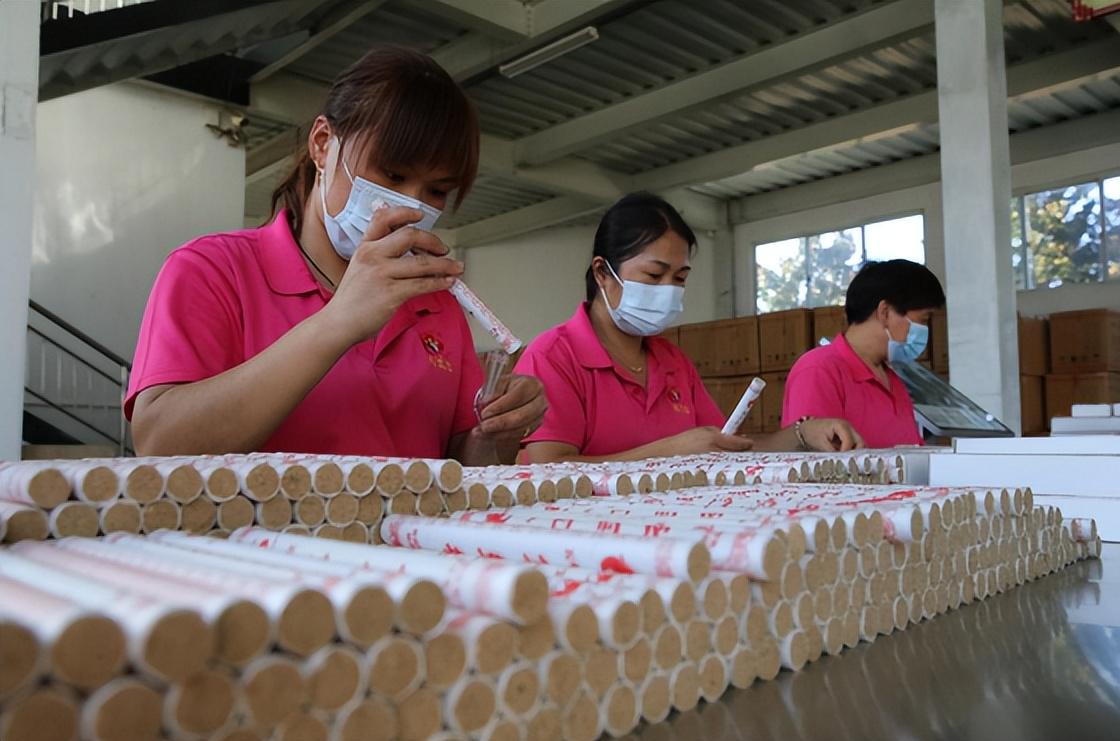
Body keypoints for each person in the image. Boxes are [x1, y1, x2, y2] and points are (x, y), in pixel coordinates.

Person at [125, 47, 545, 464]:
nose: (411, 205)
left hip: (408, 533)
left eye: (436, 190)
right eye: (393, 174)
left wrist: (499, 430)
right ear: (323, 144)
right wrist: (338, 322)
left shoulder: (437, 303)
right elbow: (160, 443)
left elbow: (461, 467)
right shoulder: (213, 270)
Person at [514, 193, 864, 464]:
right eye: (654, 275)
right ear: (603, 273)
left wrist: (802, 434)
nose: (667, 289)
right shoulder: (554, 357)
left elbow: (722, 444)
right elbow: (549, 471)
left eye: (679, 278)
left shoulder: (671, 361)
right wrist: (669, 452)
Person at [782, 259, 946, 448]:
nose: (925, 330)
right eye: (923, 320)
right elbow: (816, 464)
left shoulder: (892, 379)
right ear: (884, 312)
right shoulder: (819, 370)